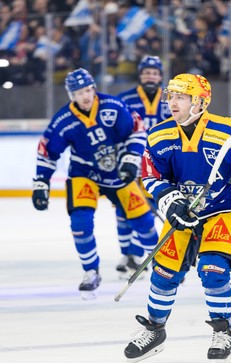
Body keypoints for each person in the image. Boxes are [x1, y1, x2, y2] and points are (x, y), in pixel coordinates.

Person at [123, 73, 231, 363]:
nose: (172, 102)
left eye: (180, 97)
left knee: (213, 269)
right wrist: (170, 201)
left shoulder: (228, 133)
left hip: (224, 209)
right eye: (171, 96)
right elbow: (152, 176)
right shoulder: (159, 135)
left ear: (200, 102)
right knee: (164, 272)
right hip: (183, 212)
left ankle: (222, 333)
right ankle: (155, 329)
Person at [32, 68, 158, 300]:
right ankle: (91, 271)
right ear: (71, 95)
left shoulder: (113, 106)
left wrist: (131, 159)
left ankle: (163, 266)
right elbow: (48, 152)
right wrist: (41, 182)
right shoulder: (63, 120)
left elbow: (136, 130)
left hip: (118, 172)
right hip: (85, 173)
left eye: (89, 90)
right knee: (80, 222)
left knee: (144, 220)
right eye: (79, 92)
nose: (86, 96)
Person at [114, 55, 172, 280]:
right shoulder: (124, 99)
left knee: (147, 209)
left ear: (160, 76)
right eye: (147, 72)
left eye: (155, 73)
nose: (151, 76)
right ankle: (126, 254)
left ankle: (136, 254)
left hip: (159, 165)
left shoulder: (171, 99)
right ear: (140, 75)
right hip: (130, 162)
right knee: (123, 210)